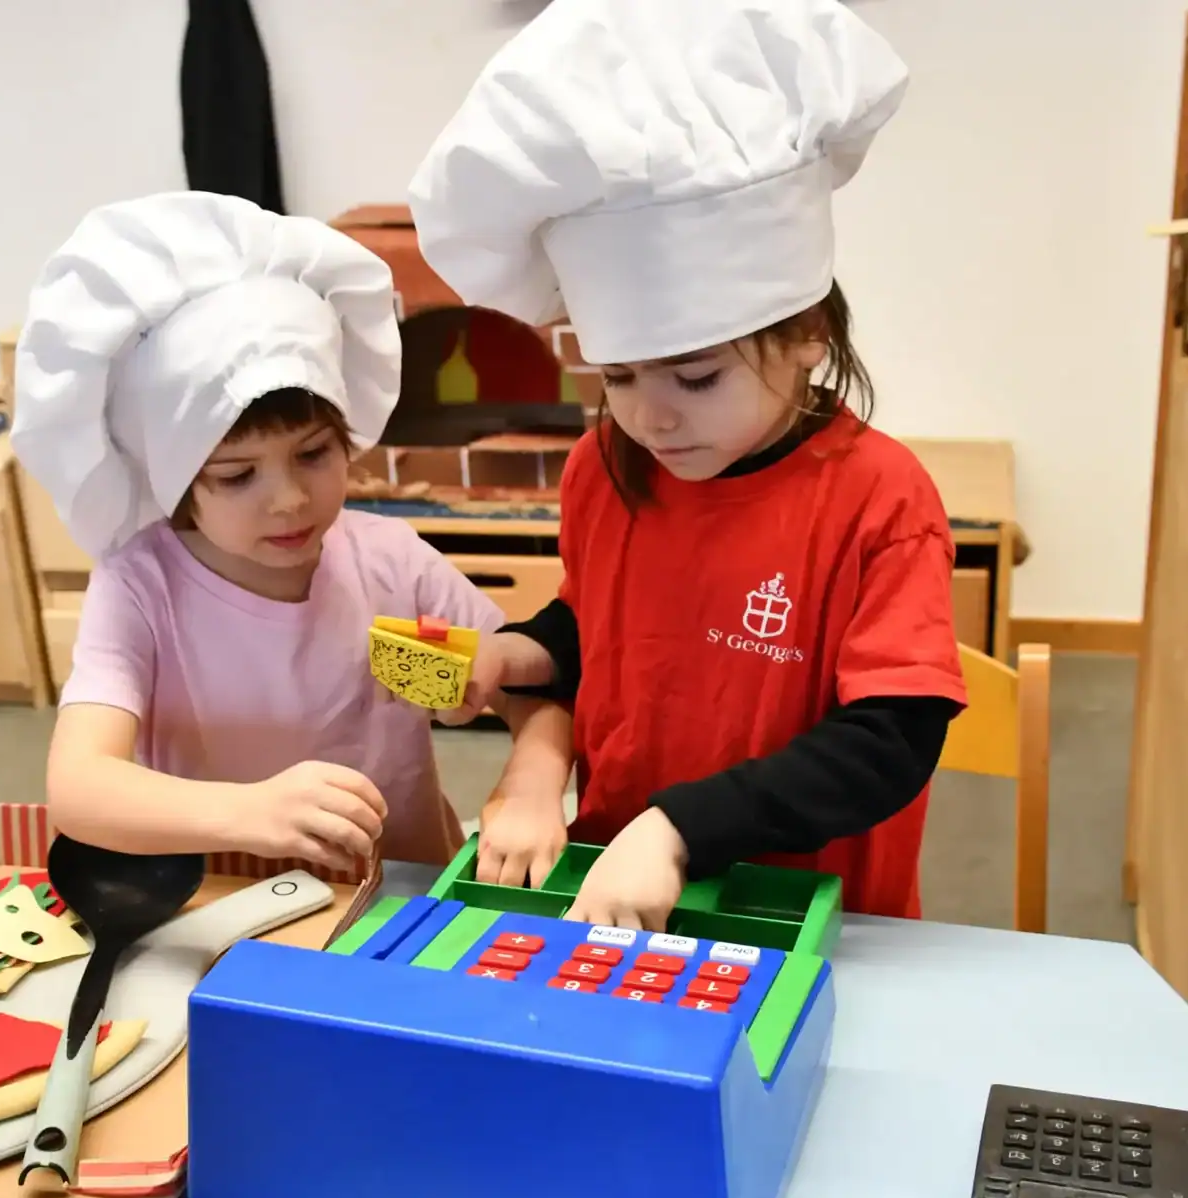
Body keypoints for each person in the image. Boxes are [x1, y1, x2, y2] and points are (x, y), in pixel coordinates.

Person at [406, 0, 968, 929]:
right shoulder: (606, 464)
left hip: (802, 911)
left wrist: (679, 828)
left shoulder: (879, 498)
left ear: (806, 337)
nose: (650, 415)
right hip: (614, 891)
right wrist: (522, 654)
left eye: (697, 377)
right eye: (616, 374)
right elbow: (605, 626)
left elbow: (887, 742)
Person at [11, 192, 569, 871]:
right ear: (174, 477)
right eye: (237, 476)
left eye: (313, 455)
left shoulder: (388, 564)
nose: (289, 500)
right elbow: (78, 789)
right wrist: (250, 813)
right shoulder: (141, 586)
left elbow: (533, 687)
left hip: (395, 887)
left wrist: (531, 784)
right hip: (225, 903)